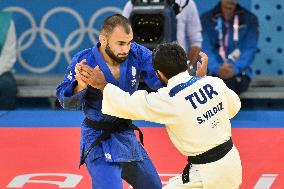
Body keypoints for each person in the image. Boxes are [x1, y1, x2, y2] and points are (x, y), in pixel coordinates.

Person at [87, 42, 242, 189]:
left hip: (207, 175)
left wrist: (103, 85)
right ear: (185, 62)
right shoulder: (213, 82)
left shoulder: (168, 99)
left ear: (159, 73)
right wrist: (201, 83)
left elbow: (127, 103)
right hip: (233, 164)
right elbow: (234, 108)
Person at [57, 14, 164, 189]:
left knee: (153, 186)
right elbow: (65, 101)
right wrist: (80, 86)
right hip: (97, 137)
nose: (126, 49)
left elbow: (160, 78)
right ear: (103, 40)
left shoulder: (137, 53)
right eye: (120, 43)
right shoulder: (84, 61)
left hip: (125, 135)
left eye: (129, 42)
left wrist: (186, 80)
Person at [201, 0, 259, 94]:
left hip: (239, 73)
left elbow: (249, 49)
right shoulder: (206, 19)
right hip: (212, 72)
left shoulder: (250, 19)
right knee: (219, 84)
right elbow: (205, 48)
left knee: (227, 84)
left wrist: (234, 69)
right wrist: (217, 68)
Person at [122, 0, 202, 64]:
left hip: (175, 66)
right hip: (140, 66)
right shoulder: (132, 4)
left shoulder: (186, 3)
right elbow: (123, 37)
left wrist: (187, 68)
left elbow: (195, 42)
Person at [0, 11, 17, 110]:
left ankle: (4, 123)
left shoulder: (5, 21)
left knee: (7, 85)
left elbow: (8, 55)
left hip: (1, 70)